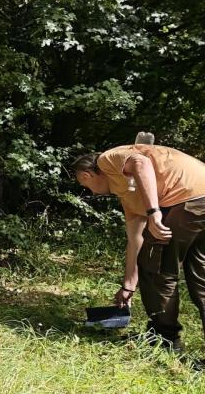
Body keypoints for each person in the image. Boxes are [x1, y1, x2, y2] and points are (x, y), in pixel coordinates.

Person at [72, 145, 205, 349]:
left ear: (87, 175)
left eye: (85, 185)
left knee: (157, 270)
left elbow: (141, 162)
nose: (91, 191)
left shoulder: (107, 159)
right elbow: (135, 241)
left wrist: (153, 212)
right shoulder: (130, 194)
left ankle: (164, 339)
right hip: (198, 198)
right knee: (201, 279)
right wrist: (128, 285)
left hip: (186, 198)